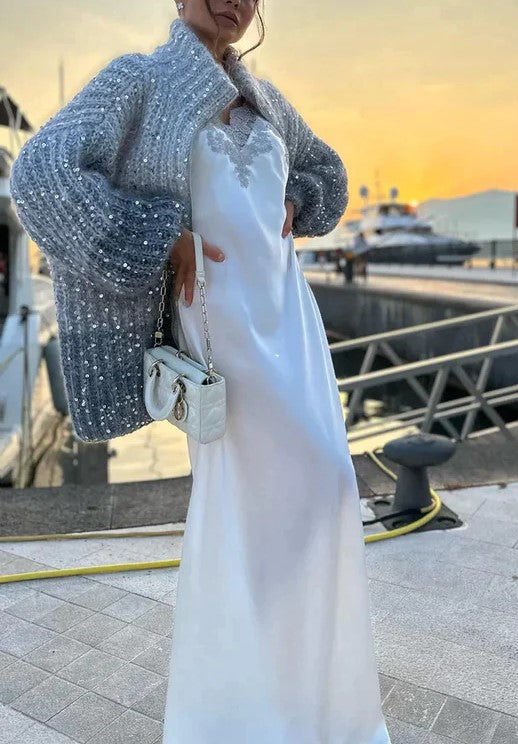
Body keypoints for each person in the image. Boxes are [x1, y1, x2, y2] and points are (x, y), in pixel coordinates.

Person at [10, 2, 391, 742]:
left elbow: (329, 173)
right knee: (256, 508)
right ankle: (237, 718)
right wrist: (158, 235)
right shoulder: (139, 80)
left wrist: (299, 197)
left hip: (291, 323)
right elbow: (39, 176)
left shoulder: (266, 99)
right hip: (220, 329)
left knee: (325, 495)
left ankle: (307, 706)